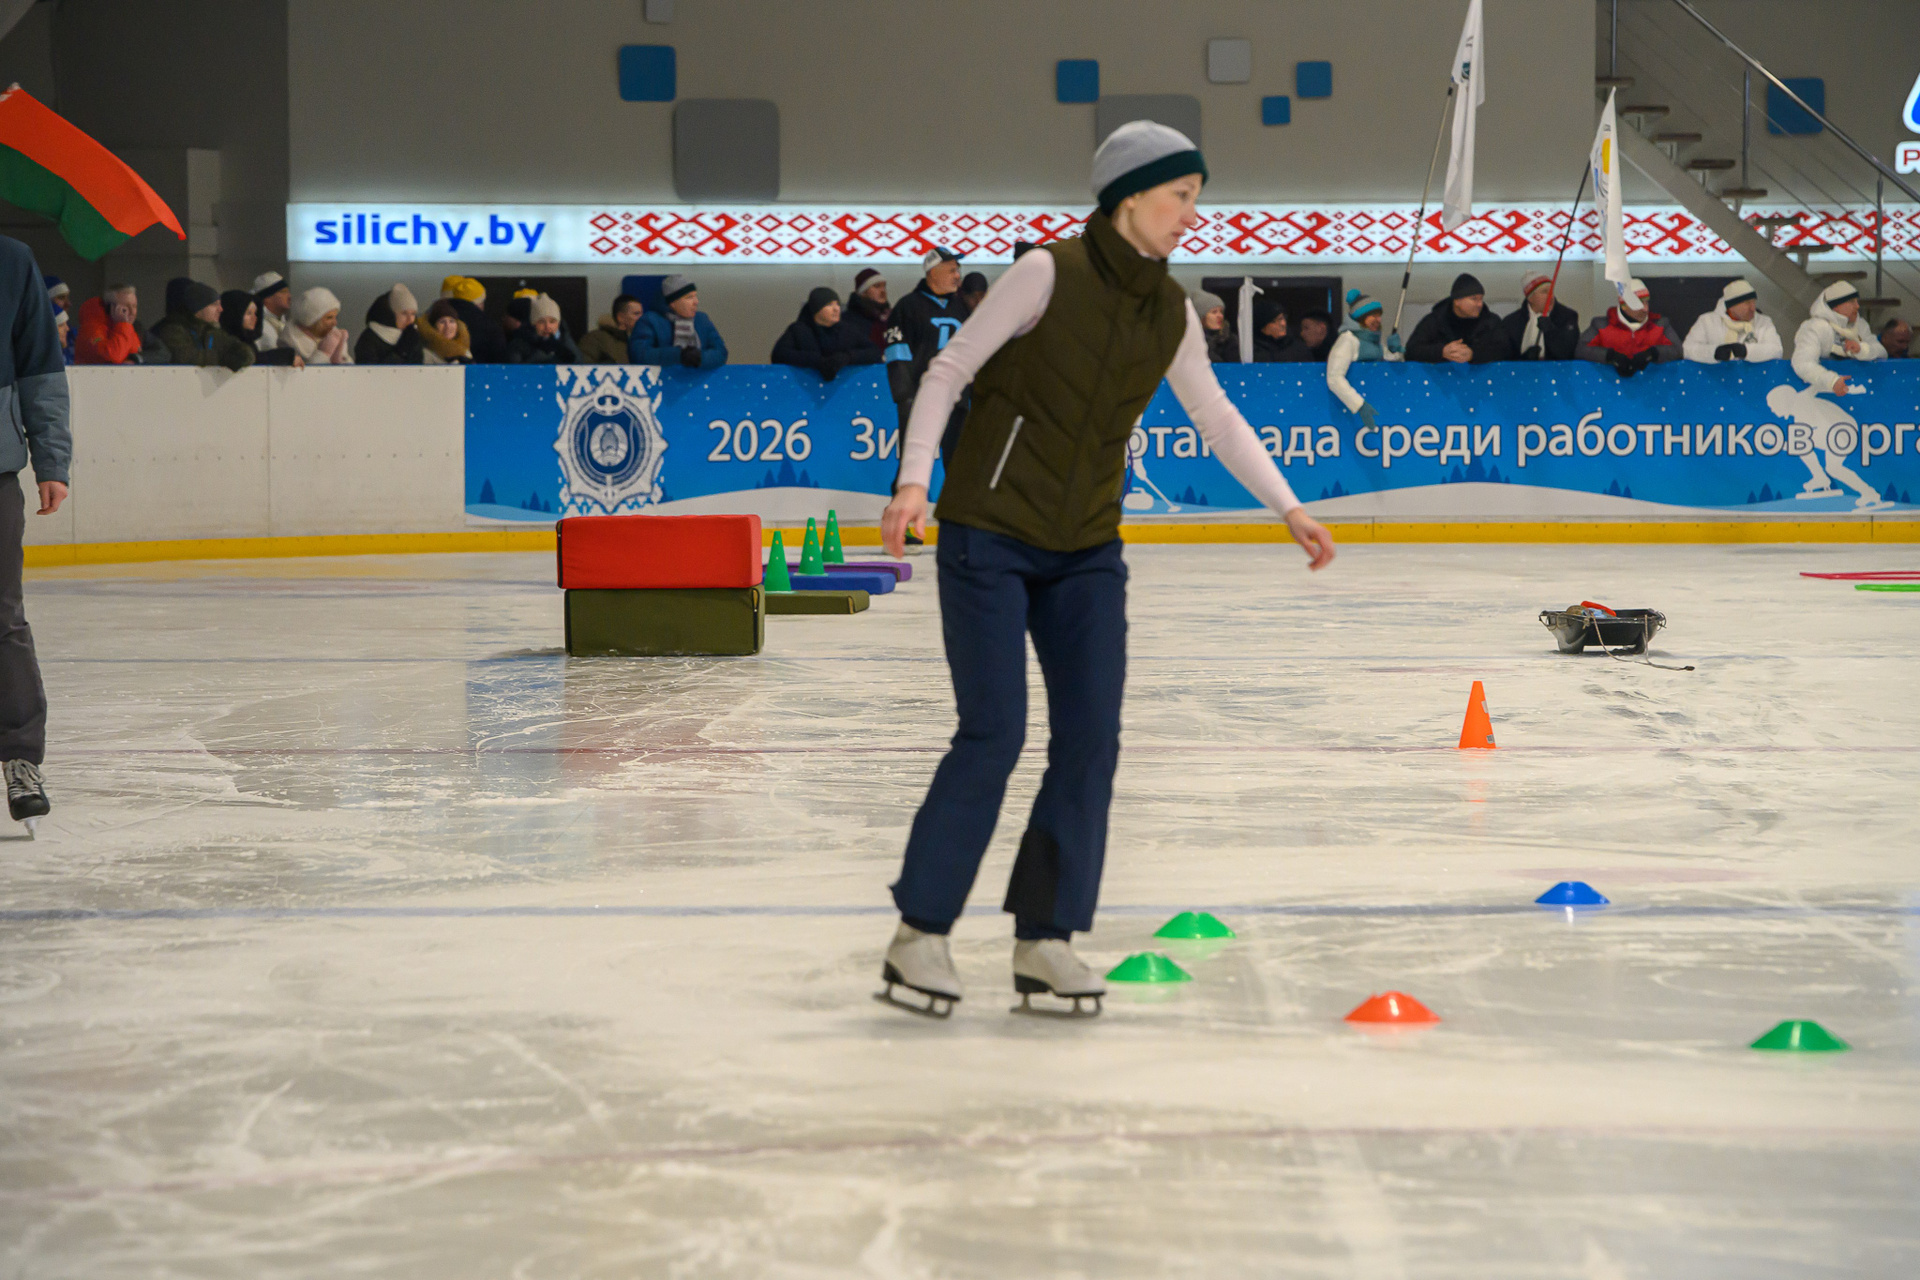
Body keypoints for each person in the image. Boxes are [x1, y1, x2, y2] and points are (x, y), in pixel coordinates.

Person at [874, 121, 1335, 1019]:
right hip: (988, 532)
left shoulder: (1169, 312)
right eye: (1180, 196)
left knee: (1091, 738)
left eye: (1196, 198)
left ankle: (1046, 938)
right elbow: (948, 370)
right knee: (995, 732)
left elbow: (1216, 417)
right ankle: (920, 932)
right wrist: (913, 480)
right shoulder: (1046, 273)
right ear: (1129, 196)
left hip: (1086, 546)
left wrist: (1290, 507)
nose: (1191, 215)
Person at [0, 235, 70, 831]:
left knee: (3, 619)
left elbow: (41, 368)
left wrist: (51, 461)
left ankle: (21, 758)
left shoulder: (12, 262)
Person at [884, 247, 972, 526]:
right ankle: (904, 527)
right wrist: (904, 396)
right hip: (919, 400)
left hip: (956, 400)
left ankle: (958, 526)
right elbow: (896, 353)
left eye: (958, 270)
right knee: (911, 467)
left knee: (959, 465)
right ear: (933, 273)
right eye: (952, 270)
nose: (958, 276)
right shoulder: (907, 306)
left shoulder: (961, 307)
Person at [1326, 288, 1403, 430]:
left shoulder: (1375, 342)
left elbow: (1390, 362)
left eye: (1379, 315)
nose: (1378, 320)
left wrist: (1395, 351)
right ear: (1360, 317)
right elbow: (1334, 378)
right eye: (1373, 315)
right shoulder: (1347, 340)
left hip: (1378, 404)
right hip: (1354, 412)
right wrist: (1359, 405)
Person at [1576, 277, 1680, 378]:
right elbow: (1581, 350)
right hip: (1611, 387)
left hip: (1650, 387)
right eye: (1638, 303)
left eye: (1646, 302)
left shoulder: (1660, 325)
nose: (1645, 309)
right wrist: (1610, 356)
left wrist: (1652, 354)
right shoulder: (1601, 326)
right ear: (1624, 305)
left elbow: (1677, 350)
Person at [1792, 282, 1884, 394]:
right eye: (1851, 302)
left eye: (1857, 301)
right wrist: (1831, 381)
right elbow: (1802, 363)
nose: (1857, 306)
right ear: (1836, 306)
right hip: (1821, 394)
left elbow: (1882, 352)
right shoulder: (1815, 327)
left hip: (1859, 391)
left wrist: (1862, 350)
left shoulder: (1860, 325)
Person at [772, 285, 880, 380]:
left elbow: (874, 352)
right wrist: (817, 361)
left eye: (837, 304)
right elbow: (779, 354)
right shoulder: (799, 330)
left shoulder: (848, 331)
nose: (836, 309)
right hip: (806, 386)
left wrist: (847, 357)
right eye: (829, 305)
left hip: (843, 388)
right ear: (817, 309)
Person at [151, 277, 257, 371]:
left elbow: (244, 351)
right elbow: (185, 357)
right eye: (214, 305)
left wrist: (241, 354)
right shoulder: (173, 331)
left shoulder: (213, 333)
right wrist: (222, 357)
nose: (220, 309)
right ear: (198, 308)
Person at [1407, 273, 1513, 364]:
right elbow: (1412, 350)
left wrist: (1473, 354)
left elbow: (1506, 350)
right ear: (1457, 301)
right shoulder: (1435, 321)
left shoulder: (1491, 322)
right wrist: (1441, 351)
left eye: (1481, 299)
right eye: (1474, 299)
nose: (1480, 304)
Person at [629, 274, 727, 369]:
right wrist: (678, 355)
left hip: (700, 378)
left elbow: (721, 352)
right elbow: (639, 355)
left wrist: (700, 357)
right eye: (689, 297)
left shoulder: (702, 319)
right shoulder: (649, 321)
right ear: (673, 303)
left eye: (695, 296)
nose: (696, 302)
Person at [1682, 278, 1782, 365]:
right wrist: (1714, 352)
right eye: (1747, 303)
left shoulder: (1763, 322)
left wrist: (1747, 351)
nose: (1753, 308)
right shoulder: (1706, 322)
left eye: (1753, 302)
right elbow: (1688, 349)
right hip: (1715, 378)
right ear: (1731, 306)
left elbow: (1776, 350)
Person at [1501, 272, 1580, 361]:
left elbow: (1570, 353)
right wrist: (1524, 359)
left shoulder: (1567, 316)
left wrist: (1551, 333)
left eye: (1551, 291)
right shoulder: (1511, 322)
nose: (1550, 296)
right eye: (1544, 292)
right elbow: (1504, 357)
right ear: (1530, 298)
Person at [219, 290, 301, 367]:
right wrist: (286, 356)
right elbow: (249, 359)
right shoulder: (223, 341)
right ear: (235, 314)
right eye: (249, 313)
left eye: (255, 313)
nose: (254, 318)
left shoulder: (249, 341)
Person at [280, 286, 354, 365]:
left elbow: (350, 369)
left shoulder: (330, 335)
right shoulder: (289, 343)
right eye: (329, 318)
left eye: (335, 317)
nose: (335, 323)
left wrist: (340, 350)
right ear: (312, 320)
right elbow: (307, 371)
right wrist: (323, 353)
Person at [74, 283, 144, 365]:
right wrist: (123, 324)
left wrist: (134, 360)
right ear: (110, 308)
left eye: (134, 306)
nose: (132, 312)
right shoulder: (91, 329)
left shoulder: (127, 329)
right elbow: (113, 356)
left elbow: (138, 356)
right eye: (126, 307)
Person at [442, 276, 507, 363]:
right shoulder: (488, 326)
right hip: (482, 369)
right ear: (478, 302)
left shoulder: (438, 318)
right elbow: (499, 357)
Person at [354, 284, 424, 365]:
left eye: (413, 314)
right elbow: (369, 370)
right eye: (404, 313)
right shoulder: (369, 338)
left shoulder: (412, 336)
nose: (410, 319)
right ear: (391, 314)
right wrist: (401, 352)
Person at [504, 293, 581, 364]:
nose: (547, 326)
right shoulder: (519, 345)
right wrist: (545, 351)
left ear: (558, 324)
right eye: (541, 322)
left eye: (552, 321)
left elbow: (579, 365)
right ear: (533, 324)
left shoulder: (566, 343)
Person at [579, 294, 642, 363]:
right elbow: (584, 366)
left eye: (642, 314)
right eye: (636, 314)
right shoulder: (595, 339)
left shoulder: (640, 342)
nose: (642, 318)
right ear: (621, 317)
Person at [1250, 297, 1309, 361]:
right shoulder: (1250, 352)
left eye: (1283, 318)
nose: (1283, 323)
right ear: (1262, 326)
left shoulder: (1298, 349)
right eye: (1275, 321)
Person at [844, 268, 891, 348]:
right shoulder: (849, 321)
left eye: (884, 286)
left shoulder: (891, 317)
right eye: (877, 286)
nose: (883, 291)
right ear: (863, 292)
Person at [417, 300, 472, 365]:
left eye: (451, 321)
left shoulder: (465, 352)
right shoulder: (425, 355)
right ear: (433, 327)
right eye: (442, 322)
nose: (447, 326)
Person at [252, 271, 293, 352]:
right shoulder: (258, 326)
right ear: (267, 298)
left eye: (288, 292)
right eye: (283, 292)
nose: (289, 296)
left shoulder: (283, 324)